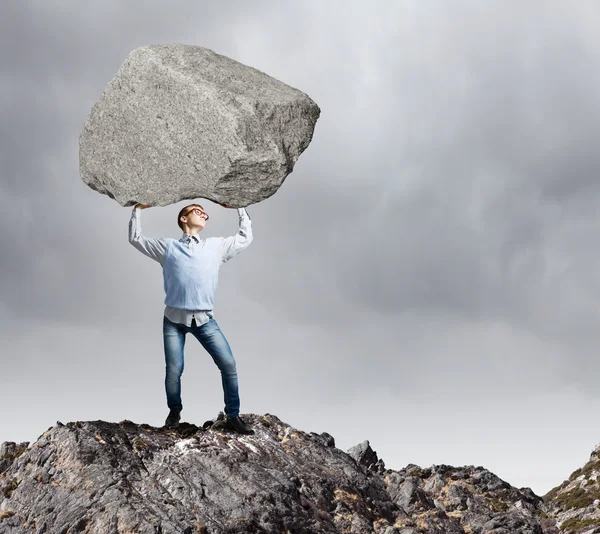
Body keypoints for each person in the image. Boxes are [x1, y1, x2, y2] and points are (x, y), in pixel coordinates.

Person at [128, 202, 254, 434]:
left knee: (229, 365)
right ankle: (174, 411)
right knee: (174, 369)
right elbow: (135, 238)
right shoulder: (167, 248)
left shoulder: (216, 247)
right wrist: (138, 208)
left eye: (205, 213)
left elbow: (245, 237)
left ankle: (233, 415)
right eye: (197, 211)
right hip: (173, 321)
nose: (204, 214)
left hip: (205, 321)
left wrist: (240, 207)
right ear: (183, 219)